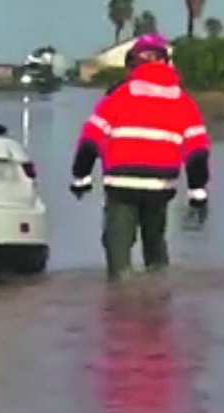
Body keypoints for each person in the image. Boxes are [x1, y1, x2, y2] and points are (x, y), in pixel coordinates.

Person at [70, 34, 211, 282]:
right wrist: (197, 190)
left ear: (132, 62)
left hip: (121, 184)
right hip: (161, 186)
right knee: (155, 244)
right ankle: (160, 293)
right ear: (165, 62)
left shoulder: (118, 95)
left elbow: (91, 139)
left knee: (117, 247)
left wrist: (81, 176)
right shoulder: (183, 101)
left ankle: (118, 292)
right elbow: (197, 149)